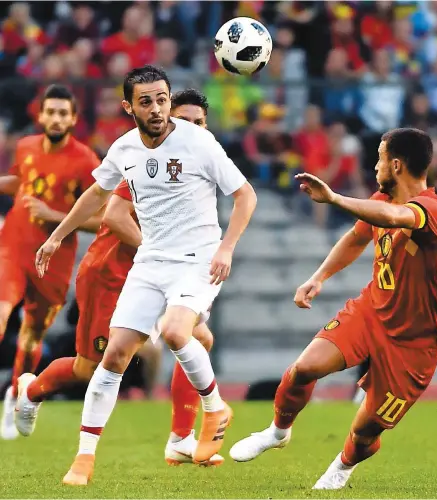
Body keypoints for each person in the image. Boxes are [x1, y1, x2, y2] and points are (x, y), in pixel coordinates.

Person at [27, 66, 257, 485]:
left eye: (162, 99)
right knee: (113, 356)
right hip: (150, 261)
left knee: (176, 332)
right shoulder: (125, 149)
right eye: (146, 101)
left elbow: (245, 195)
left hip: (197, 258)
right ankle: (84, 458)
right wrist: (57, 236)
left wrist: (227, 247)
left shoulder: (198, 141)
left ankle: (214, 407)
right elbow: (97, 194)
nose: (156, 108)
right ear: (128, 106)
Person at [230, 128, 437, 490]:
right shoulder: (381, 200)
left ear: (396, 165)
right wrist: (318, 277)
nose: (375, 165)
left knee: (366, 432)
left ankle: (343, 464)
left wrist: (334, 198)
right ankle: (277, 431)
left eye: (380, 158)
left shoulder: (433, 212)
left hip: (415, 342)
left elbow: (395, 218)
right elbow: (356, 237)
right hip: (372, 311)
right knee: (305, 368)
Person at [0, 84, 102, 440]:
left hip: (52, 260)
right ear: (40, 114)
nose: (56, 118)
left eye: (64, 113)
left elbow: (103, 217)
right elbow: (21, 182)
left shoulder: (86, 160)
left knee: (31, 337)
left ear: (73, 118)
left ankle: (16, 395)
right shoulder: (26, 146)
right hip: (12, 247)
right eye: (51, 112)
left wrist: (52, 214)